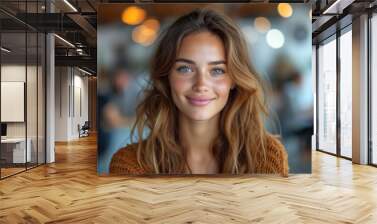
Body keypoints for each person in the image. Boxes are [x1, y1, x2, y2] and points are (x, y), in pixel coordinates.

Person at [109, 8, 289, 176]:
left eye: (217, 70)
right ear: (166, 77)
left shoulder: (266, 156)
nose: (201, 84)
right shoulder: (130, 164)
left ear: (234, 79)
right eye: (185, 69)